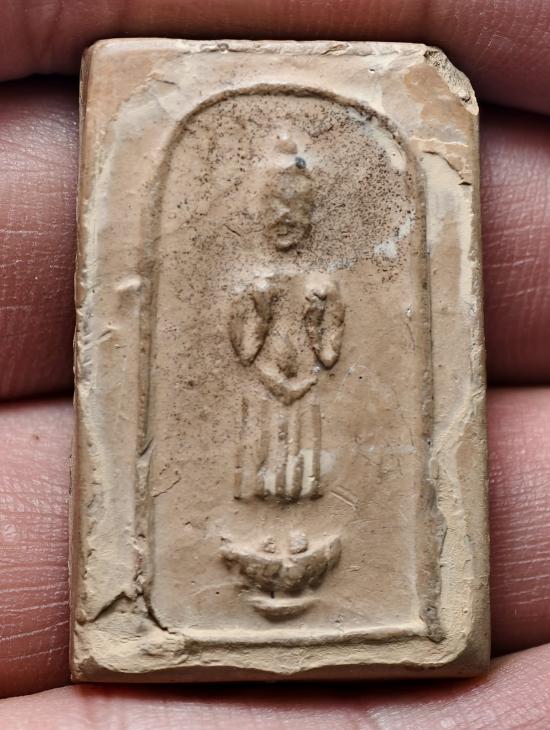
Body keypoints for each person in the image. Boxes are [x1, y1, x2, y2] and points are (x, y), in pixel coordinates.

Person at [1, 1, 549, 726]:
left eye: (298, 214)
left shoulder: (322, 279)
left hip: (306, 400)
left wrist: (319, 320)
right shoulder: (253, 280)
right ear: (262, 212)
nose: (287, 225)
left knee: (302, 471)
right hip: (259, 401)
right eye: (277, 213)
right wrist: (257, 316)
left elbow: (329, 353)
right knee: (262, 471)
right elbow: (242, 349)